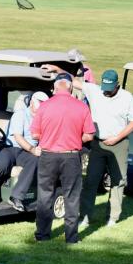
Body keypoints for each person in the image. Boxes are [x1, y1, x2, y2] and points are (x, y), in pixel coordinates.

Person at [45, 66, 133, 227]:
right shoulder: (95, 90)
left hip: (119, 144)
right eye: (105, 88)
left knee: (118, 180)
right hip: (97, 143)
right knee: (91, 180)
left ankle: (113, 217)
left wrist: (118, 137)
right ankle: (85, 216)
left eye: (110, 89)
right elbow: (73, 81)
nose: (106, 92)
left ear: (117, 85)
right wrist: (56, 68)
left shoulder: (127, 97)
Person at [30, 72, 95, 244]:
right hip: (71, 156)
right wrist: (75, 137)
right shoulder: (81, 107)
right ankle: (71, 237)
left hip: (48, 156)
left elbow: (35, 133)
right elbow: (89, 135)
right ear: (71, 86)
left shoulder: (44, 106)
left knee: (45, 195)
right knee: (72, 197)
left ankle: (42, 235)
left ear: (55, 87)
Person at [0, 91, 49, 211]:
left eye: (45, 104)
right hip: (11, 148)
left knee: (35, 160)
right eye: (41, 103)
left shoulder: (43, 119)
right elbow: (18, 137)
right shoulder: (21, 114)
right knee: (3, 164)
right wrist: (33, 149)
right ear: (32, 101)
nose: (43, 106)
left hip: (27, 153)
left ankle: (16, 196)